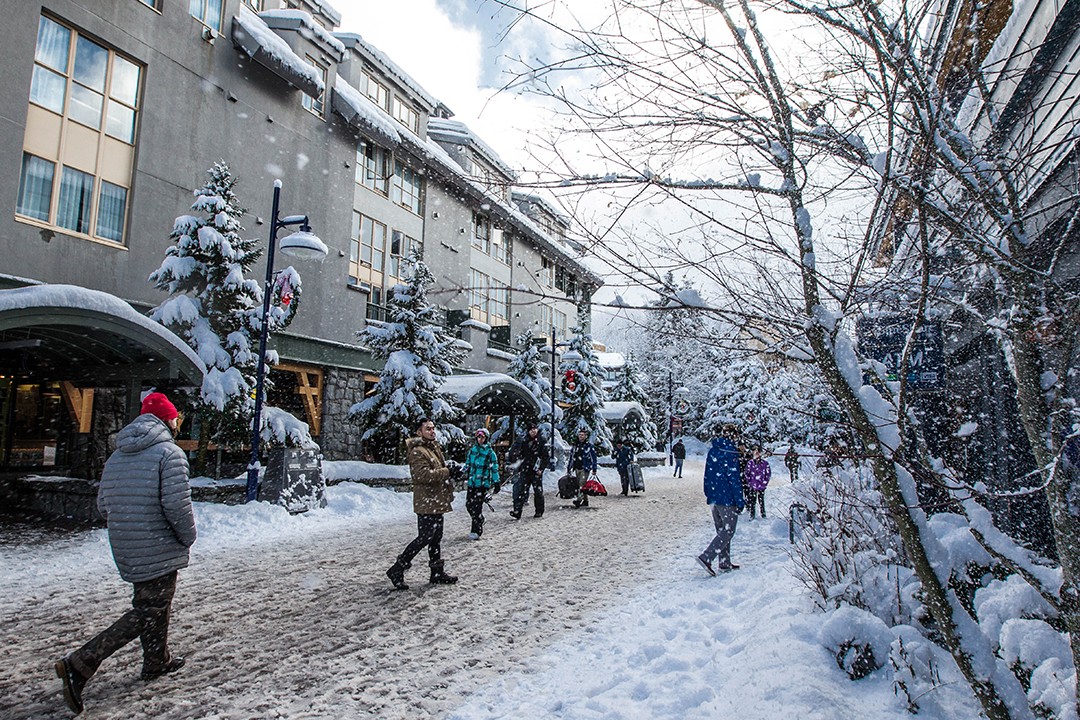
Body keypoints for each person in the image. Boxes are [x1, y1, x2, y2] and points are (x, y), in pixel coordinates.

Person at [55, 392, 196, 715]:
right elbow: (176, 505)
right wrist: (187, 536)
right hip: (158, 542)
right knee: (150, 609)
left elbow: (104, 504)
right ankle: (81, 662)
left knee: (152, 602)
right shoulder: (168, 454)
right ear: (166, 420)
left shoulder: (118, 455)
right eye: (175, 418)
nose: (177, 423)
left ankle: (156, 661)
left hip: (128, 542)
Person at [386, 418, 460, 590]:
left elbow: (435, 470)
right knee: (425, 537)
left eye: (433, 428)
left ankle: (436, 572)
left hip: (435, 500)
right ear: (419, 433)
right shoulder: (418, 451)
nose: (432, 431)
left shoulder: (432, 448)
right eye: (428, 429)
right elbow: (422, 476)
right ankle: (397, 568)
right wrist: (447, 471)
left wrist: (448, 470)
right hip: (427, 501)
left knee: (436, 537)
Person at [697, 424, 745, 576]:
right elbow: (734, 479)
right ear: (733, 436)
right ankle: (707, 557)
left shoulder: (714, 450)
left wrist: (709, 493)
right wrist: (740, 500)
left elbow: (707, 474)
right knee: (728, 530)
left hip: (714, 498)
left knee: (721, 531)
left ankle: (724, 562)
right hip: (727, 498)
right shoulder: (730, 453)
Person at [464, 428, 499, 539]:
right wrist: (459, 472)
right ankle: (479, 519)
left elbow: (494, 468)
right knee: (469, 505)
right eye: (478, 437)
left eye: (482, 437)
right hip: (472, 482)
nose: (480, 439)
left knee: (477, 507)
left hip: (482, 484)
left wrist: (496, 481)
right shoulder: (473, 451)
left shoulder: (490, 453)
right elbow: (468, 464)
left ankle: (476, 530)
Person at [509, 423, 549, 519]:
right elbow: (521, 456)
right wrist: (519, 469)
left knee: (538, 492)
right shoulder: (525, 441)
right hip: (526, 470)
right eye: (531, 430)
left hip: (536, 471)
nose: (533, 431)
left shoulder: (541, 441)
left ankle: (539, 511)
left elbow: (545, 457)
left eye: (534, 429)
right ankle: (517, 511)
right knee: (520, 491)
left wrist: (541, 468)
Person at [569, 429, 598, 508]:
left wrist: (594, 468)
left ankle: (578, 500)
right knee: (581, 485)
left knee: (581, 484)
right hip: (577, 467)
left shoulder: (588, 446)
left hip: (585, 468)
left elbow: (593, 458)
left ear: (585, 436)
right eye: (579, 435)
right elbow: (572, 457)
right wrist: (569, 467)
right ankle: (585, 500)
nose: (580, 436)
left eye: (582, 435)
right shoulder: (576, 446)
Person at [743, 445, 771, 519]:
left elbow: (768, 474)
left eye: (758, 453)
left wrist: (764, 483)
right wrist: (749, 482)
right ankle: (752, 515)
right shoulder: (750, 463)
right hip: (753, 485)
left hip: (761, 485)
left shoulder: (765, 463)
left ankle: (763, 514)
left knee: (761, 501)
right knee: (753, 501)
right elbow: (747, 473)